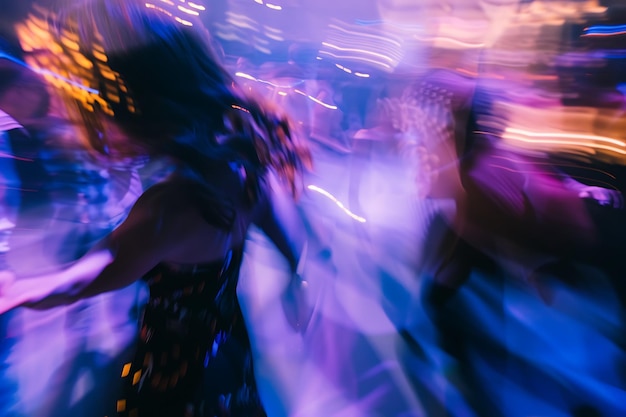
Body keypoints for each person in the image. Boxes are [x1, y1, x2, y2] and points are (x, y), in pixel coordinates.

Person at [0, 0, 315, 416]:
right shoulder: (239, 170)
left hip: (170, 383)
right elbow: (286, 238)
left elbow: (95, 270)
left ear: (140, 107)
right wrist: (297, 278)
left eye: (98, 109)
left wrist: (27, 290)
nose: (91, 125)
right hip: (227, 361)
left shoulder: (169, 208)